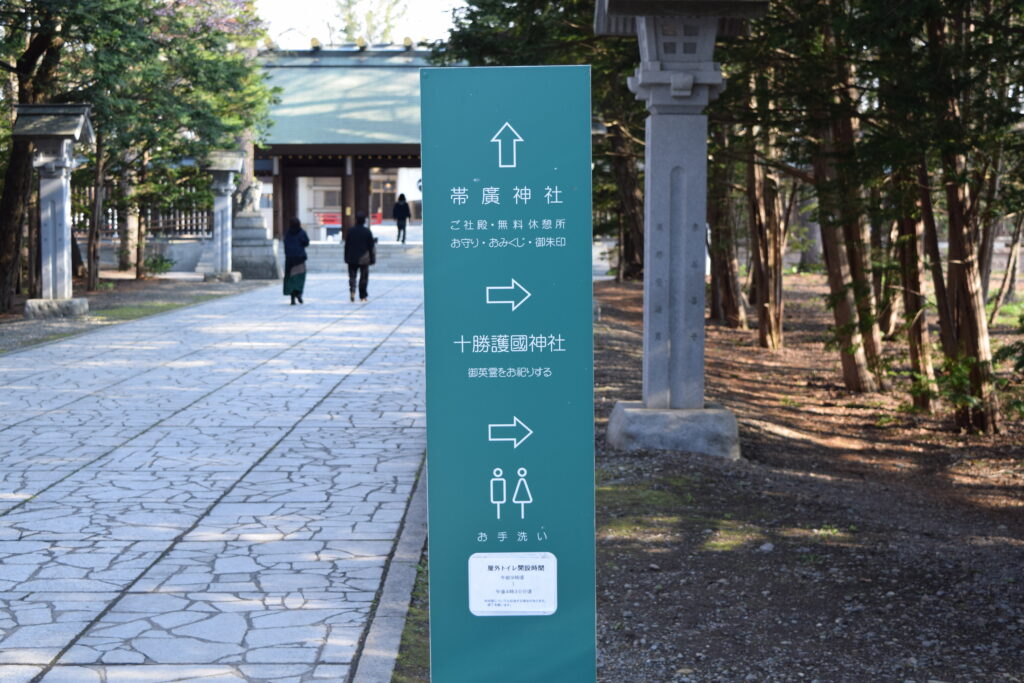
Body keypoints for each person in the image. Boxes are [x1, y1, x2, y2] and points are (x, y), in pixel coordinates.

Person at [344, 212, 375, 302]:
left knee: (352, 277)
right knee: (363, 277)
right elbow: (371, 247)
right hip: (364, 259)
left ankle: (352, 291)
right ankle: (362, 295)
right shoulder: (367, 232)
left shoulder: (351, 231)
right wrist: (372, 258)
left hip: (352, 257)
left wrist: (346, 257)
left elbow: (347, 245)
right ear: (364, 221)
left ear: (356, 220)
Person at [283, 217, 309, 305]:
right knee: (300, 278)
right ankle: (299, 293)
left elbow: (285, 244)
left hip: (290, 259)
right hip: (300, 259)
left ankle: (292, 298)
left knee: (291, 279)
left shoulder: (287, 233)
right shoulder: (302, 233)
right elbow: (306, 243)